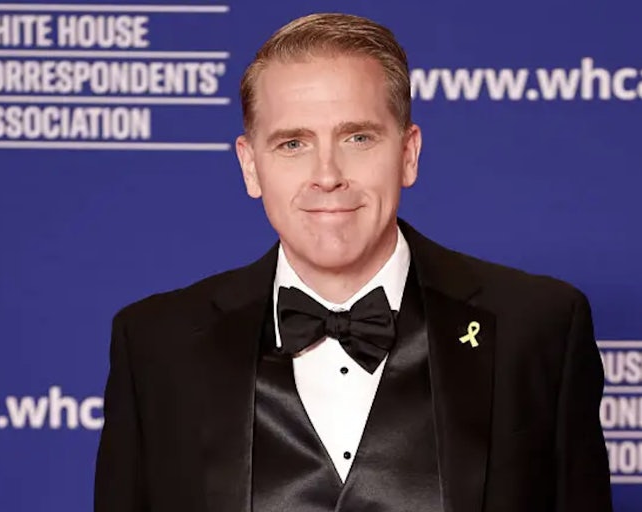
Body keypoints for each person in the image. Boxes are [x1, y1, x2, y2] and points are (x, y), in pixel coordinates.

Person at [94, 12, 612, 512]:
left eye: (357, 138)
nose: (327, 175)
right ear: (251, 167)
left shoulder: (538, 328)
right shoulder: (155, 346)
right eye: (293, 143)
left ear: (408, 153)